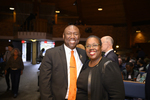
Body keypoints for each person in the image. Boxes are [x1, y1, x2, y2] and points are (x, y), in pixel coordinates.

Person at [39, 25, 87, 100]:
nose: (72, 36)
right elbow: (44, 81)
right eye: (69, 33)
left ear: (79, 36)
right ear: (63, 36)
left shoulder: (84, 54)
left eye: (75, 34)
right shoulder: (51, 54)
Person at [76, 35, 125, 100]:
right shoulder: (85, 64)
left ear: (101, 47)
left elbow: (118, 96)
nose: (91, 48)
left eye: (95, 45)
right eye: (88, 46)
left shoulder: (108, 65)